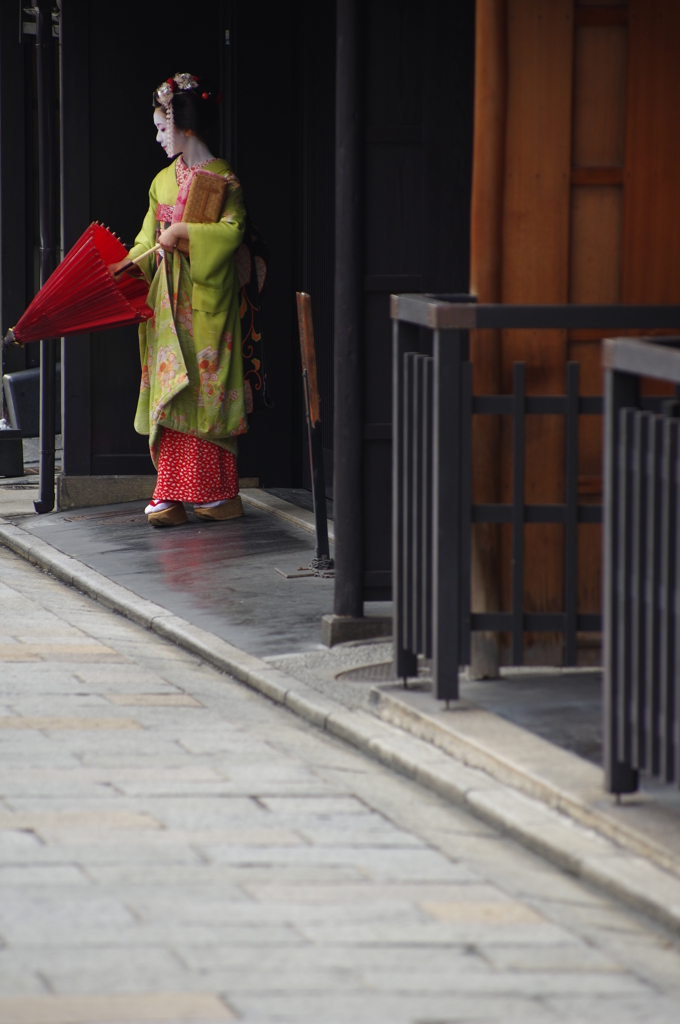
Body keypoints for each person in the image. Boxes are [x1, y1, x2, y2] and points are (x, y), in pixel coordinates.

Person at [110, 72, 247, 527]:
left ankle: (216, 495)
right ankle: (169, 491)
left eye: (161, 128)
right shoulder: (161, 182)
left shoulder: (223, 178)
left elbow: (232, 233)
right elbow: (146, 239)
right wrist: (129, 264)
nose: (156, 137)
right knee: (171, 393)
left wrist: (185, 231)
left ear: (185, 127)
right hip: (166, 305)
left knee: (204, 389)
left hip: (207, 305)